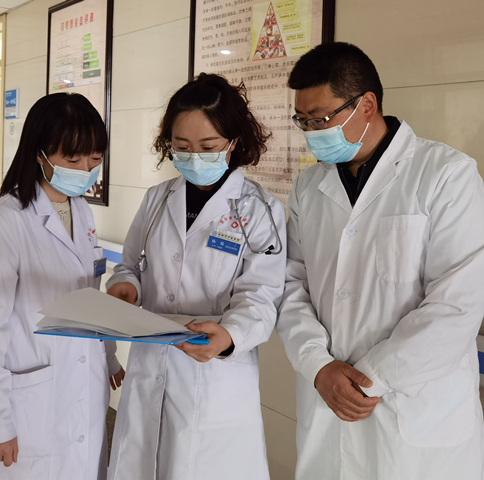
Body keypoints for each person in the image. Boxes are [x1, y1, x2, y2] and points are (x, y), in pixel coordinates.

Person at [276, 42, 484, 480]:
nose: (311, 132)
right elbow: (290, 283)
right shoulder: (308, 187)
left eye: (320, 119)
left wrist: (370, 378)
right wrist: (317, 364)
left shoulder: (446, 175)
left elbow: (457, 304)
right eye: (303, 121)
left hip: (411, 412)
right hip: (328, 402)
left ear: (366, 105)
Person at [106, 73, 286, 480]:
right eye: (182, 147)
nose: (194, 158)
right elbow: (129, 265)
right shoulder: (157, 199)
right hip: (150, 363)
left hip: (216, 374)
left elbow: (262, 295)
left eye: (208, 147)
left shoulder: (260, 210)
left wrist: (230, 336)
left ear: (234, 142)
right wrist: (126, 287)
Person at [0, 93, 125, 480]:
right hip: (29, 395)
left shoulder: (81, 211)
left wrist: (109, 356)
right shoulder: (4, 221)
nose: (86, 170)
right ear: (40, 154)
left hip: (82, 382)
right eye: (73, 160)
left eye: (94, 159)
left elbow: (88, 297)